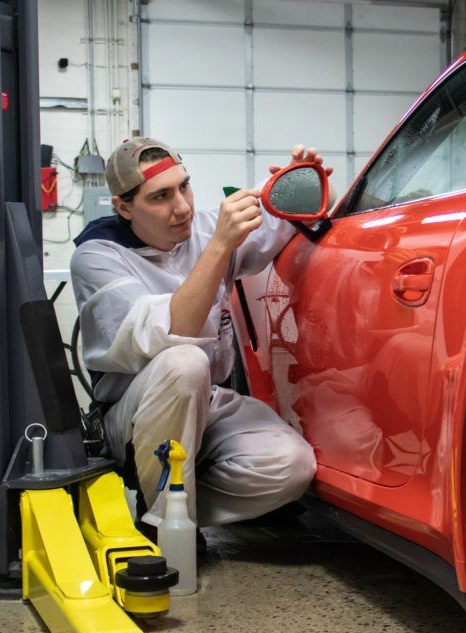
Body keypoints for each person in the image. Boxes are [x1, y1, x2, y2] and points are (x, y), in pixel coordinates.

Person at [70, 137, 328, 529]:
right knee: (184, 360)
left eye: (184, 186)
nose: (182, 207)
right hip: (134, 413)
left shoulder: (204, 228)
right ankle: (164, 522)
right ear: (124, 207)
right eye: (160, 197)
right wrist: (222, 245)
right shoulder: (98, 257)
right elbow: (177, 331)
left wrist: (303, 180)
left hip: (207, 400)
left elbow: (292, 215)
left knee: (292, 467)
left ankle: (175, 507)